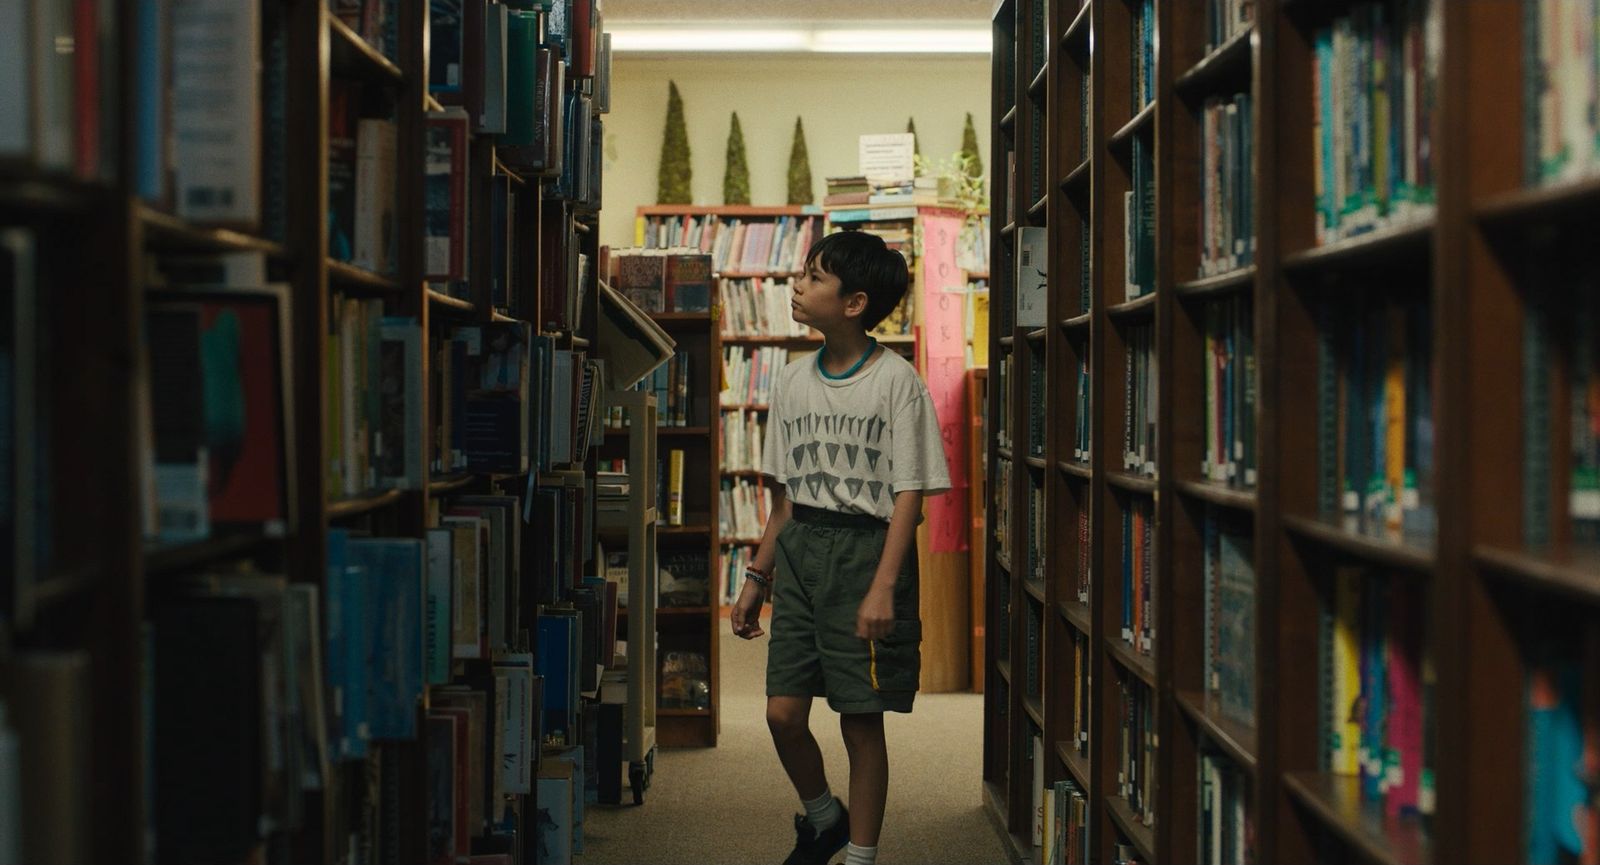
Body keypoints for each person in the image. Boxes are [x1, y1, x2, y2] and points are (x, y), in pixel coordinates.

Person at [730, 230, 951, 865]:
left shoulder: (895, 381)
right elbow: (785, 500)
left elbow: (909, 493)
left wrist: (884, 586)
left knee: (859, 718)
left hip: (865, 554)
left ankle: (860, 855)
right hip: (800, 554)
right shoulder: (793, 381)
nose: (796, 285)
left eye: (813, 277)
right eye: (801, 273)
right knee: (782, 714)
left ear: (854, 303)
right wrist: (755, 578)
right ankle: (825, 817)